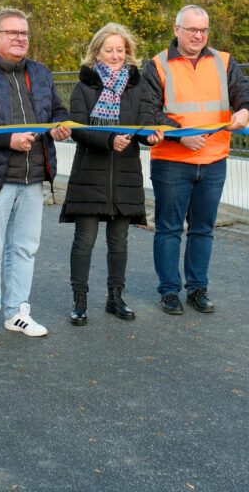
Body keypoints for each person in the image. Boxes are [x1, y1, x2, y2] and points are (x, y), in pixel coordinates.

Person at [0, 7, 72, 345]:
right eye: (13, 33)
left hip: (34, 177)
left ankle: (17, 312)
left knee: (24, 249)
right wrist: (7, 140)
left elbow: (58, 111)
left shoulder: (41, 72)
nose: (21, 39)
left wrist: (62, 125)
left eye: (24, 33)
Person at [142, 5, 249, 316]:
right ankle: (169, 290)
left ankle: (197, 288)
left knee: (203, 228)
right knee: (168, 228)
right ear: (176, 29)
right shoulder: (157, 65)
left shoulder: (224, 61)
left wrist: (245, 110)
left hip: (214, 158)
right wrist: (180, 135)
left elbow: (246, 91)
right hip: (171, 159)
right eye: (192, 29)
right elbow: (148, 111)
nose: (198, 35)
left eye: (204, 30)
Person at [60, 23, 164, 326]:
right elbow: (77, 127)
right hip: (89, 173)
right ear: (97, 52)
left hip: (125, 174)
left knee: (119, 242)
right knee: (84, 241)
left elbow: (144, 123)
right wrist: (108, 140)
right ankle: (79, 301)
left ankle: (115, 298)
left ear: (128, 52)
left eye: (121, 49)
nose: (116, 55)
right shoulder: (84, 87)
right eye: (109, 50)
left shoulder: (138, 86)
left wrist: (150, 138)